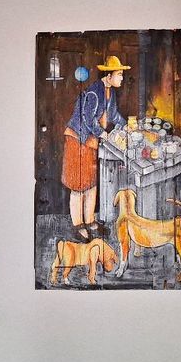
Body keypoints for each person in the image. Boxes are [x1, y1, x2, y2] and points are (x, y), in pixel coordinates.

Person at [61, 55, 129, 241]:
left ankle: (90, 221)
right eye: (119, 74)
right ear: (109, 76)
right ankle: (78, 225)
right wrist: (102, 133)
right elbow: (88, 119)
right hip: (77, 139)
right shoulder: (93, 92)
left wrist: (126, 125)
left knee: (90, 183)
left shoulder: (110, 92)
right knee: (78, 185)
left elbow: (113, 115)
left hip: (90, 142)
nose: (122, 78)